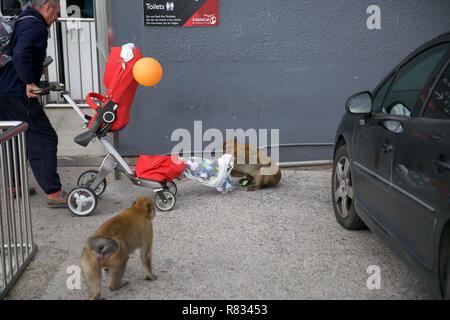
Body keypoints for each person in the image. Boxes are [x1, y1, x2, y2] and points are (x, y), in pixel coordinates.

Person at [0, 0, 67, 207]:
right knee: (44, 137)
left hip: (4, 88)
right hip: (16, 92)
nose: (57, 18)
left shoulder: (23, 19)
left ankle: (15, 186)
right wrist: (29, 80)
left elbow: (18, 52)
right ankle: (54, 193)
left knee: (15, 136)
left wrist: (36, 67)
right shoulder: (35, 25)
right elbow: (20, 54)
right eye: (56, 13)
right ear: (47, 7)